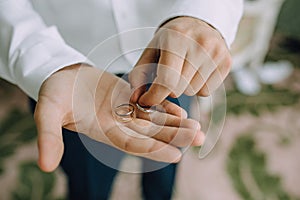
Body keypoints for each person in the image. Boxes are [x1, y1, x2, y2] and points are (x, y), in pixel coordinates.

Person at [0, 0, 243, 199]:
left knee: (167, 157)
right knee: (88, 183)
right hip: (71, 69)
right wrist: (46, 61)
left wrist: (203, 14)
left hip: (173, 60)